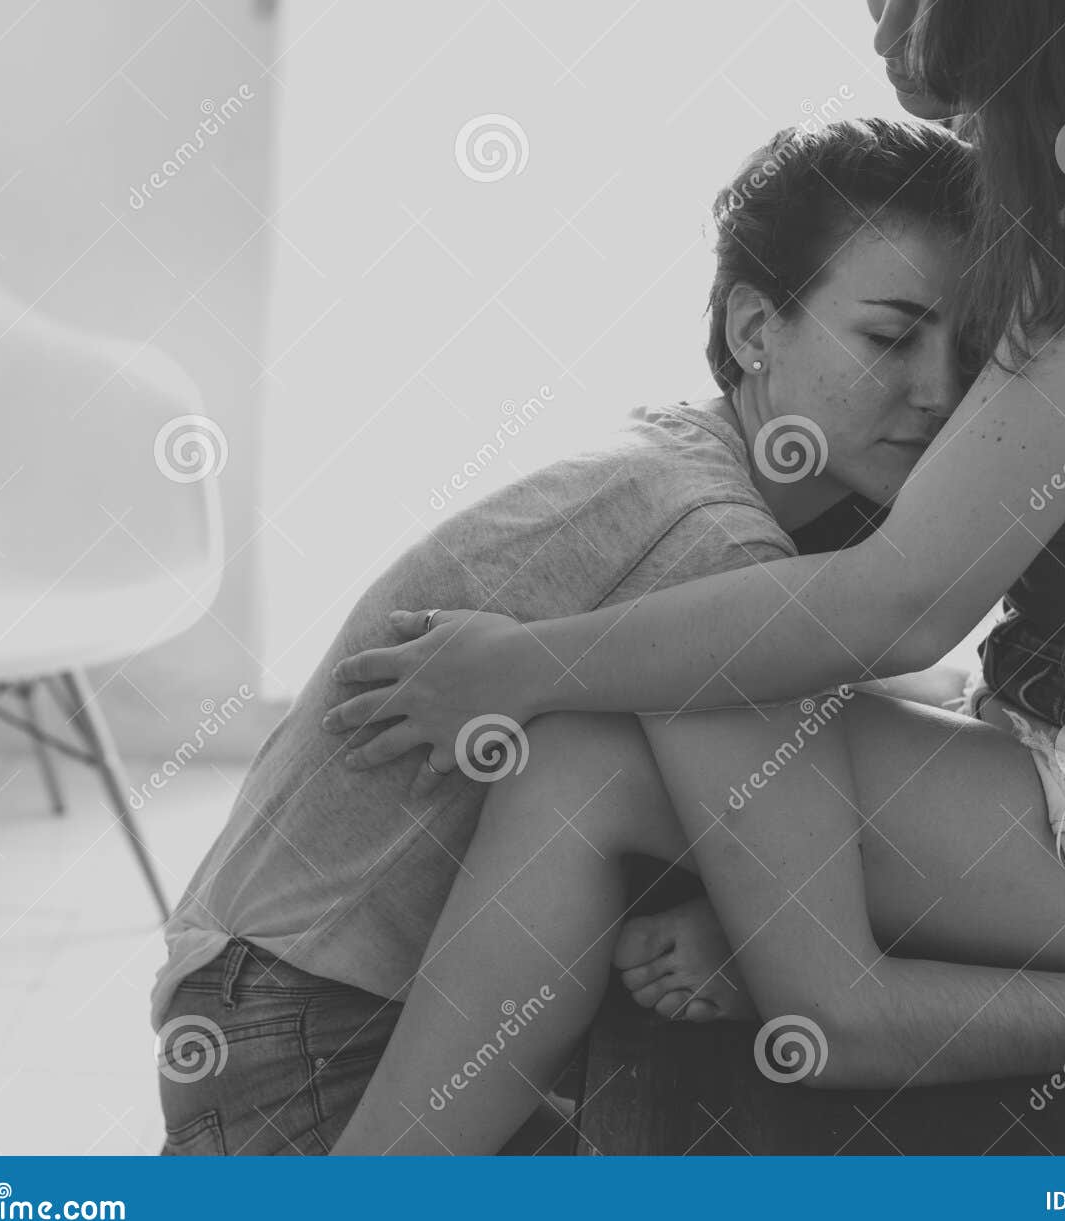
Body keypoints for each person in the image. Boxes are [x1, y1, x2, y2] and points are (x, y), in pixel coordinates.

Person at [323, 0, 1065, 1154]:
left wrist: (519, 667)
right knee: (595, 759)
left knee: (669, 686)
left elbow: (901, 605)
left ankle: (834, 1009)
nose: (875, 17)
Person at [155, 116, 986, 1155]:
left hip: (258, 997)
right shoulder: (712, 542)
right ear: (753, 330)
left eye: (969, 348)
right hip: (316, 1037)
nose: (941, 392)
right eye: (890, 338)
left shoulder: (686, 461)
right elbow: (841, 920)